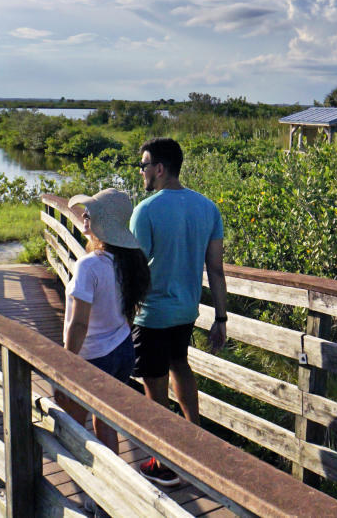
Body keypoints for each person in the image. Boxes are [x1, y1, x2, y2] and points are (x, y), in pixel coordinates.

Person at [129, 137, 228, 487]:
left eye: (143, 165)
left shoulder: (146, 210)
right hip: (186, 311)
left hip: (152, 314)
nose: (141, 172)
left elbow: (134, 271)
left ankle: (166, 461)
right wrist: (221, 318)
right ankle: (196, 441)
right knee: (179, 365)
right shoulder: (207, 208)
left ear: (159, 168)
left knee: (155, 390)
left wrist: (122, 318)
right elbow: (215, 269)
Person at [56, 188, 151, 457]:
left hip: (93, 357)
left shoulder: (89, 266)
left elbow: (78, 325)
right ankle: (109, 491)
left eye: (91, 212)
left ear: (103, 222)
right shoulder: (128, 262)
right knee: (105, 423)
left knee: (73, 426)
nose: (84, 214)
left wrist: (65, 365)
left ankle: (88, 491)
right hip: (122, 351)